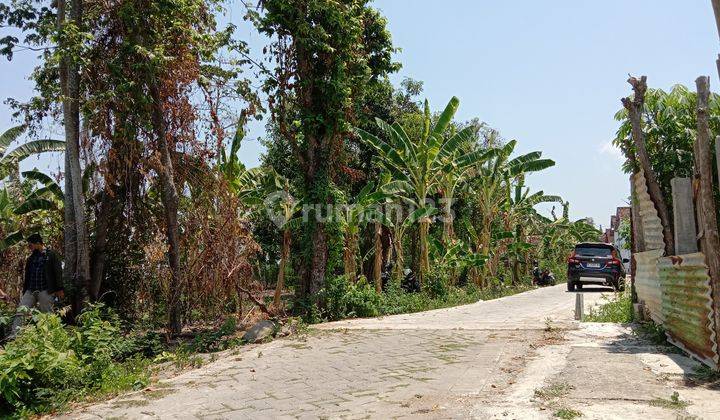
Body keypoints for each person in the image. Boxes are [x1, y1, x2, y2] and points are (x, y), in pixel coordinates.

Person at [9, 233, 63, 337]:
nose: (29, 248)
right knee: (21, 310)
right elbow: (28, 276)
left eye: (30, 245)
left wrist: (59, 288)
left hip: (45, 290)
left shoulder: (51, 254)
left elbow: (58, 271)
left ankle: (50, 336)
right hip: (31, 290)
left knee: (47, 314)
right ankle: (14, 336)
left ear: (38, 243)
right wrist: (25, 291)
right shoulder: (31, 258)